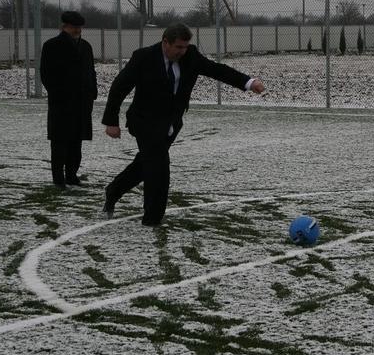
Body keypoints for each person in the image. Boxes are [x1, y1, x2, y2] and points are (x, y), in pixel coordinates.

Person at [101, 23, 265, 226]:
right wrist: (111, 122)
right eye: (178, 47)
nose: (182, 51)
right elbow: (119, 87)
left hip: (171, 123)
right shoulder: (143, 57)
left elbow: (216, 70)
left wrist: (249, 82)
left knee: (146, 164)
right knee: (159, 167)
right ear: (165, 42)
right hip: (145, 121)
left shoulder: (191, 56)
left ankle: (114, 190)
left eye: (185, 47)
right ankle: (152, 219)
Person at [40, 10, 98, 187]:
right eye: (74, 27)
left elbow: (91, 71)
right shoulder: (52, 46)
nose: (77, 30)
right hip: (62, 103)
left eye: (79, 27)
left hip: (82, 102)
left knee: (76, 141)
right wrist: (58, 94)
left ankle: (72, 175)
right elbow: (46, 74)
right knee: (60, 142)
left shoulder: (85, 46)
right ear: (65, 26)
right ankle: (58, 179)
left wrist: (92, 92)